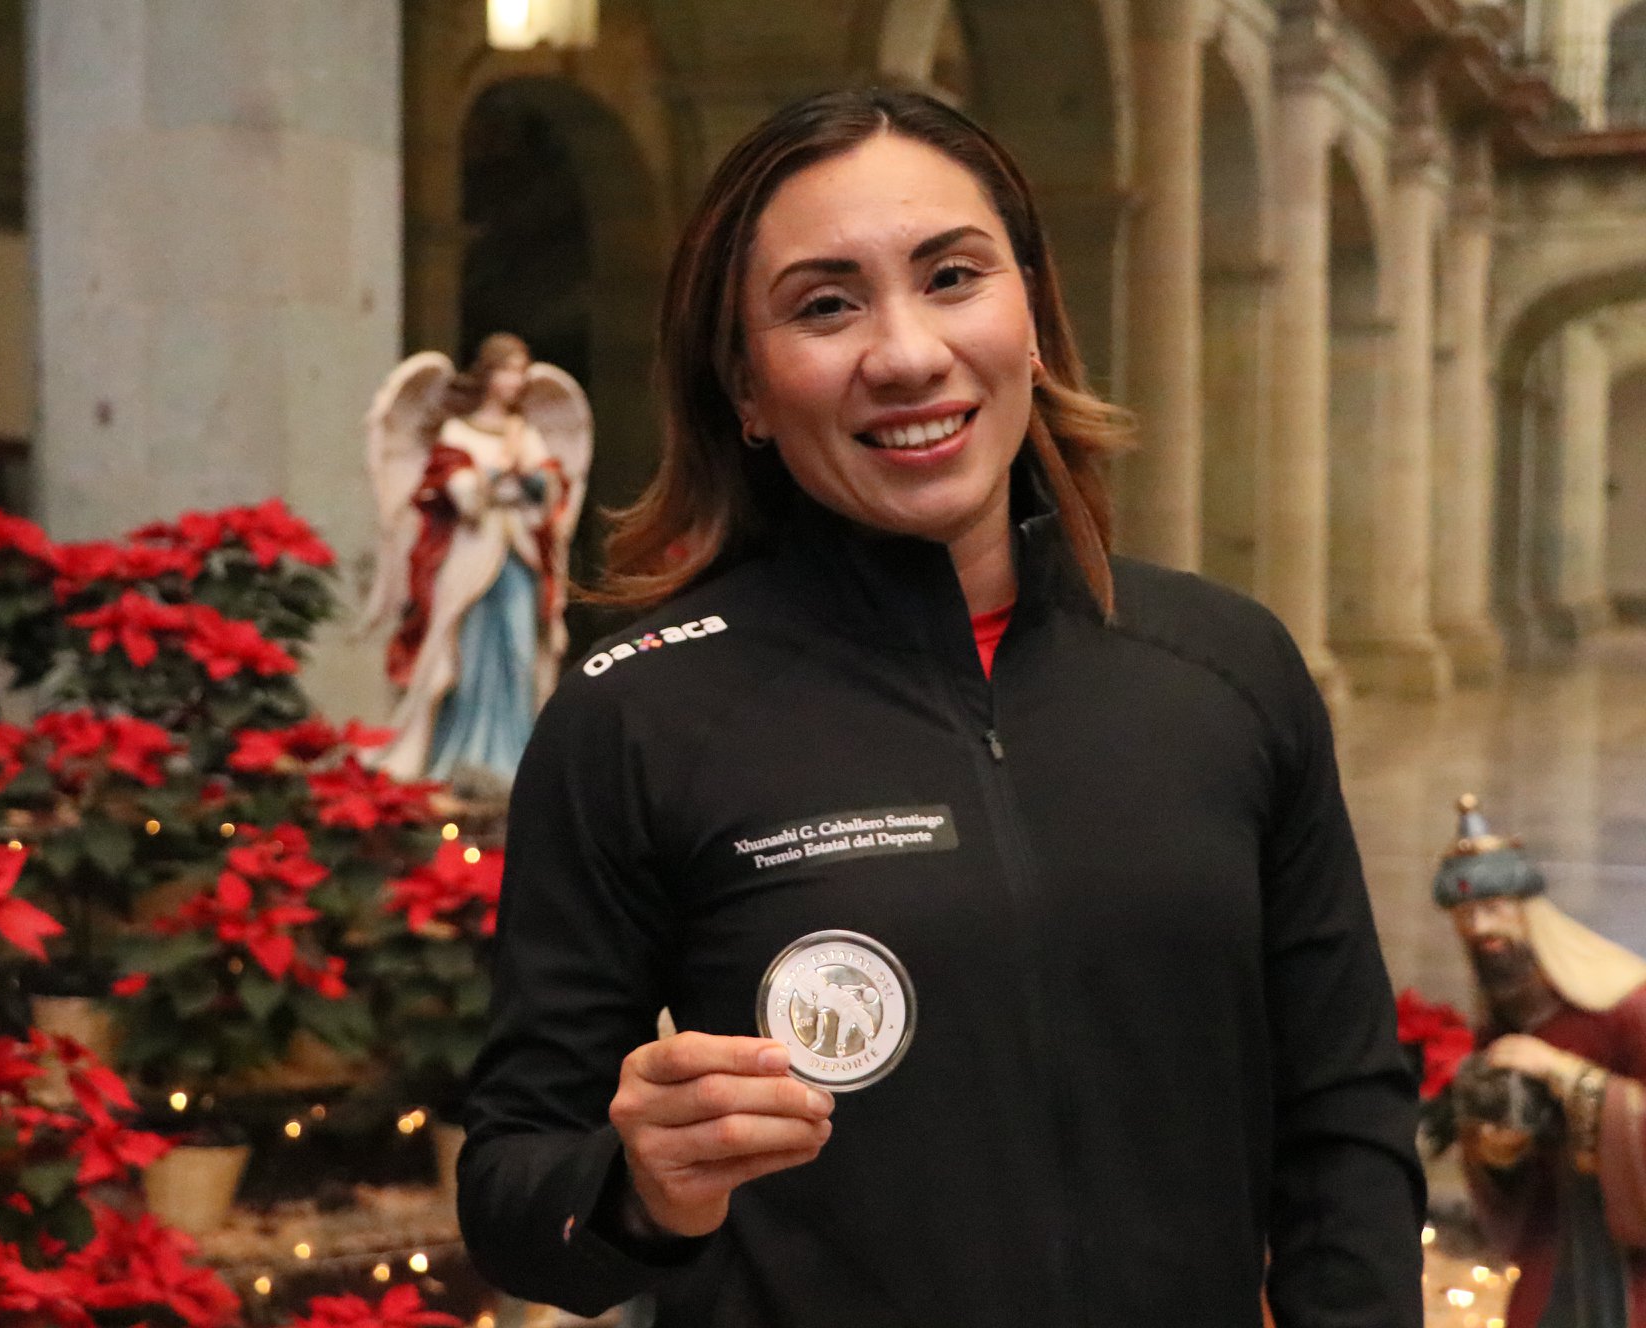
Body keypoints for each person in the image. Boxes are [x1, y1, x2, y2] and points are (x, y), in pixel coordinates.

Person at [458, 88, 1423, 1326]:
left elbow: (1344, 1121)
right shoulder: (636, 713)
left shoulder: (1226, 667)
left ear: (1035, 319)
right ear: (745, 386)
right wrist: (637, 1187)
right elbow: (512, 1189)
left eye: (952, 276)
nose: (907, 353)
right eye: (825, 305)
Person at [1437, 795, 1646, 1326]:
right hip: (1557, 1243)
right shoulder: (1505, 1019)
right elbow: (1506, 1164)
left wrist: (1563, 1073)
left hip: (1631, 1247)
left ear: (1526, 909)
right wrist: (1500, 1152)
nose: (1480, 928)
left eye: (1493, 909)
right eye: (1466, 915)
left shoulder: (1626, 1004)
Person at [362, 333, 591, 788]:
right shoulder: (458, 432)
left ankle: (515, 758)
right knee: (462, 656)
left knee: (521, 652)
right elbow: (461, 496)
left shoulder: (525, 434)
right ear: (487, 375)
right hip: (471, 555)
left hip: (517, 557)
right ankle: (457, 756)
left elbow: (549, 495)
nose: (515, 381)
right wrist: (497, 474)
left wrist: (529, 479)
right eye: (507, 370)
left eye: (520, 371)